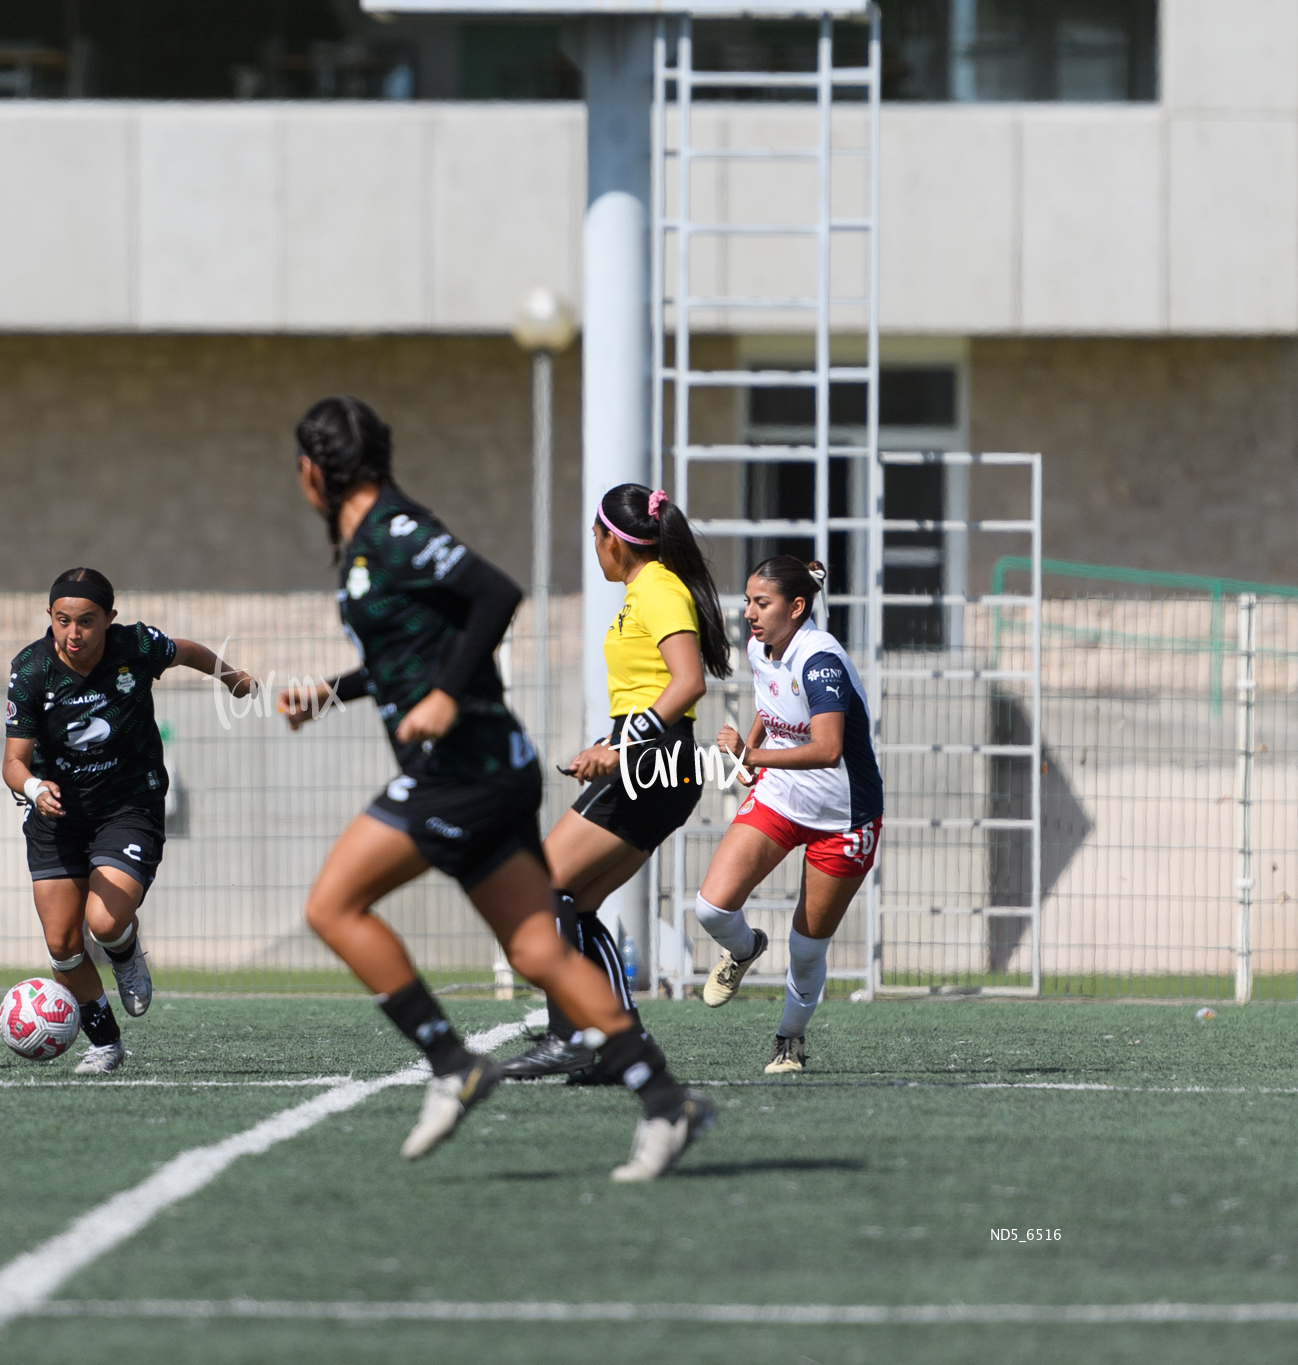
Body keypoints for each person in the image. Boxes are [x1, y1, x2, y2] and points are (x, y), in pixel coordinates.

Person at [276, 396, 713, 1181]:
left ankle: (453, 1062)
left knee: (331, 905)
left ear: (313, 471)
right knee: (541, 940)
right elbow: (404, 653)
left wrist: (446, 697)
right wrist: (328, 694)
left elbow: (496, 593)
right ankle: (664, 1099)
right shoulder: (364, 546)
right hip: (487, 766)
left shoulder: (396, 531)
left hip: (464, 768)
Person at [501, 484, 735, 1082]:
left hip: (650, 760)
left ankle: (570, 1037)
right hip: (653, 759)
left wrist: (621, 747)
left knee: (541, 883)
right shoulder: (645, 591)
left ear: (614, 540)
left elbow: (688, 684)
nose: (594, 548)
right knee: (573, 902)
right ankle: (619, 1044)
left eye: (595, 536)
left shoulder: (658, 589)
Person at [3, 567, 256, 1075]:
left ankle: (125, 950)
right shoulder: (30, 668)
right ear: (50, 619)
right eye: (62, 621)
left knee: (105, 921)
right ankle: (106, 1044)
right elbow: (13, 762)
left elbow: (185, 650)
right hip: (58, 815)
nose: (74, 634)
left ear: (109, 620)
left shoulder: (135, 645)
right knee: (63, 945)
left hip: (128, 805)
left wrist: (231, 676)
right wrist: (34, 787)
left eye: (87, 622)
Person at [694, 556, 883, 1073]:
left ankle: (789, 1041)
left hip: (845, 816)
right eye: (749, 601)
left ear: (797, 607)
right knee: (711, 909)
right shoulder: (761, 646)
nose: (749, 613)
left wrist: (750, 755)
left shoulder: (820, 659)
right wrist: (750, 748)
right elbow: (769, 698)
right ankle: (745, 947)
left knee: (805, 949)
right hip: (783, 795)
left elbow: (826, 749)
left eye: (762, 603)